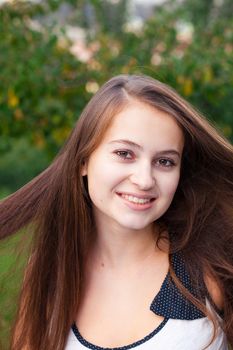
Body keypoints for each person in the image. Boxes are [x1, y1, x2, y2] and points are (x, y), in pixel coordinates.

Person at [0, 74, 233, 350]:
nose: (145, 179)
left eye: (165, 161)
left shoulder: (209, 265)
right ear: (83, 160)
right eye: (125, 154)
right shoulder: (53, 267)